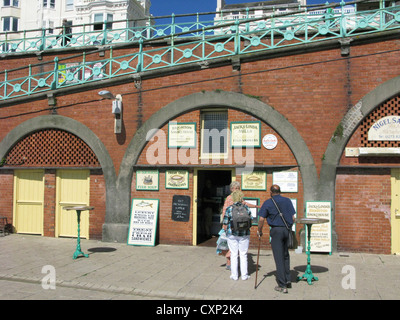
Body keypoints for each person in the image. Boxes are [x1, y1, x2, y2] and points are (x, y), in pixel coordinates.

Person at [257, 184, 295, 293]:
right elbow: (293, 218)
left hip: (276, 231)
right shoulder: (287, 200)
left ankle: (282, 285)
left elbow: (261, 219)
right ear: (280, 191)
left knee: (278, 258)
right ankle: (288, 280)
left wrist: (259, 231)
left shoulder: (268, 202)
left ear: (270, 192)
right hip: (287, 230)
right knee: (285, 255)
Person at [220, 181, 260, 270]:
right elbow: (224, 210)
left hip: (236, 225)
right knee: (231, 247)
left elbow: (246, 204)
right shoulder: (229, 198)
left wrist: (256, 206)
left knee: (232, 247)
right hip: (231, 225)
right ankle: (229, 263)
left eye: (238, 188)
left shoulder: (239, 198)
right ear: (231, 189)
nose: (237, 190)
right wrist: (224, 225)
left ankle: (231, 264)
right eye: (235, 188)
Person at [222, 190, 252, 281]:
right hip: (244, 234)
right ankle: (244, 275)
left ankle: (234, 275)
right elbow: (251, 221)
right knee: (243, 254)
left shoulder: (229, 208)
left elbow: (225, 222)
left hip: (232, 234)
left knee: (234, 254)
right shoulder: (246, 208)